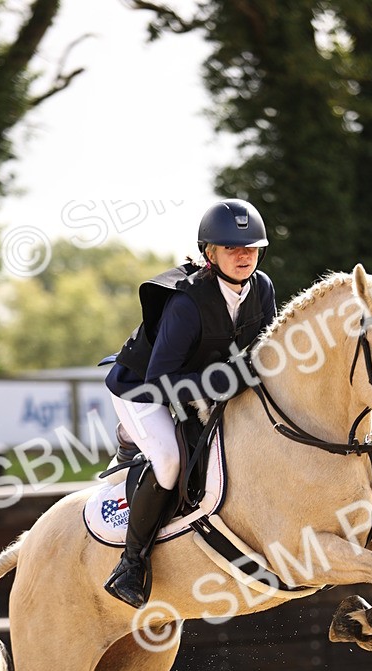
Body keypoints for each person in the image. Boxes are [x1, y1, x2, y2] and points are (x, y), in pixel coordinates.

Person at [103, 198, 277, 609]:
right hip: (141, 390)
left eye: (250, 247)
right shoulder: (187, 303)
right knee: (169, 462)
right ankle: (130, 564)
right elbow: (159, 380)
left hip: (194, 384)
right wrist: (225, 381)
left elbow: (267, 352)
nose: (243, 255)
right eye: (231, 247)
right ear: (209, 254)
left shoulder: (262, 288)